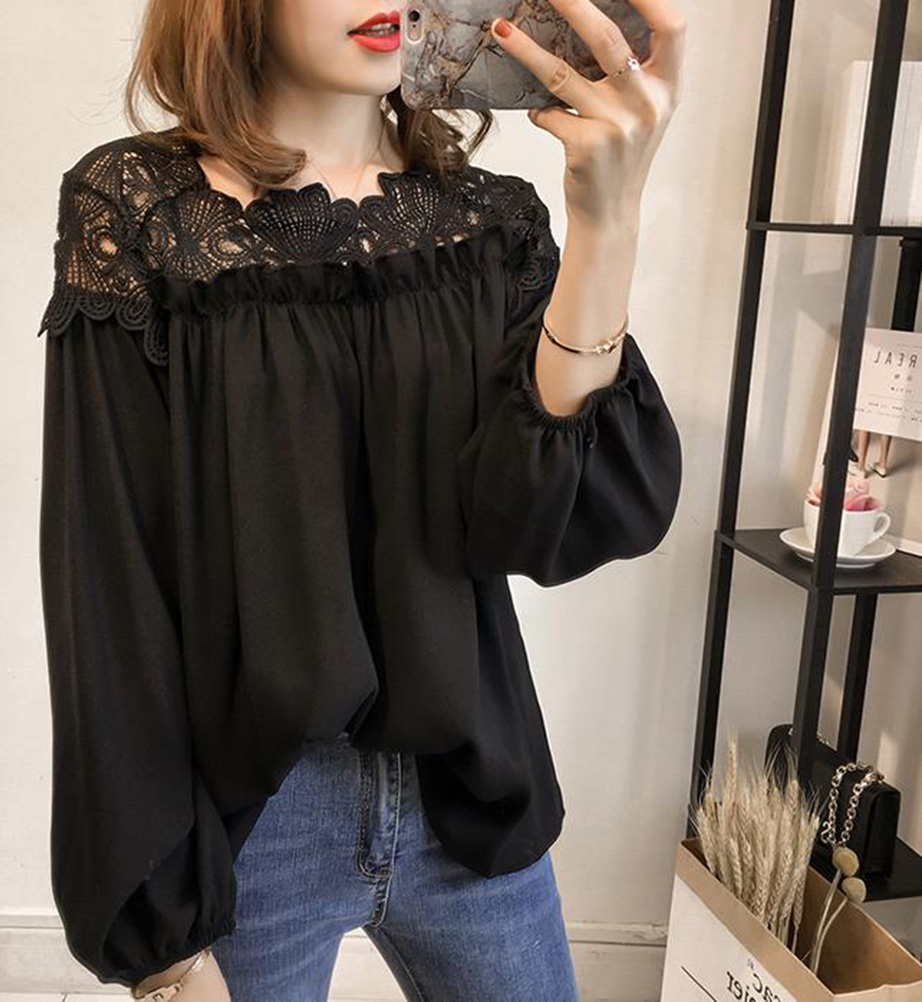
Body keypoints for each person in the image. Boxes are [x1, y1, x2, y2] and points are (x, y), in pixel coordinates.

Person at [36, 1, 686, 999]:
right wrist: (161, 949)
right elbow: (108, 578)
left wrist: (609, 222)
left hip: (471, 787)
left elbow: (543, 521)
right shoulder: (140, 211)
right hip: (248, 823)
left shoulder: (489, 223)